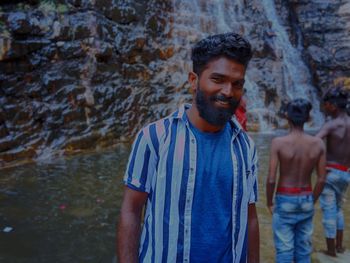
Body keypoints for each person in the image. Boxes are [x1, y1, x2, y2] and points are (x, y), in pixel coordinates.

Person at [117, 32, 260, 263]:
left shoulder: (246, 147)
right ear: (194, 80)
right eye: (217, 79)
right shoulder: (154, 138)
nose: (228, 91)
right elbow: (131, 211)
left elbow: (250, 218)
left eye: (237, 84)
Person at [266, 98, 326, 263]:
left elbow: (271, 179)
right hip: (306, 197)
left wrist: (269, 203)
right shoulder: (318, 143)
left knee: (284, 250)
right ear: (308, 118)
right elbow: (321, 179)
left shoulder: (278, 143)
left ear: (287, 116)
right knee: (303, 250)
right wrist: (312, 200)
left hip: (285, 198)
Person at [316, 87, 350, 257]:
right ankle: (339, 246)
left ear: (334, 106)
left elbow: (315, 141)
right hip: (346, 173)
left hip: (330, 174)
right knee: (338, 209)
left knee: (328, 211)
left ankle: (330, 251)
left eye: (327, 104)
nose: (325, 107)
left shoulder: (331, 124)